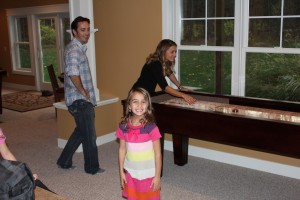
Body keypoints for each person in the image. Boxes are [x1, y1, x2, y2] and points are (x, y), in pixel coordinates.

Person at [56, 16, 105, 175]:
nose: (87, 33)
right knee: (90, 135)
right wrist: (84, 93)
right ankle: (92, 168)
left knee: (81, 132)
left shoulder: (77, 49)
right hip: (80, 101)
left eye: (88, 29)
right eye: (82, 30)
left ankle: (63, 161)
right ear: (75, 32)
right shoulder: (74, 50)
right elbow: (72, 73)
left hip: (79, 100)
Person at [116, 87, 162, 200]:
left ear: (148, 105)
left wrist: (157, 176)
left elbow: (158, 154)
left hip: (148, 173)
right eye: (135, 102)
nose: (139, 105)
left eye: (143, 102)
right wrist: (121, 172)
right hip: (131, 172)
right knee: (134, 196)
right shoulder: (123, 126)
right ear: (129, 106)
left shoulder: (151, 127)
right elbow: (122, 149)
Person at [132, 39, 196, 104]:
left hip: (148, 94)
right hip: (138, 94)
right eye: (172, 52)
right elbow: (165, 88)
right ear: (163, 51)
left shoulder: (163, 62)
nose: (175, 54)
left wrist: (180, 87)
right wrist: (183, 95)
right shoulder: (155, 63)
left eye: (175, 52)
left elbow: (169, 73)